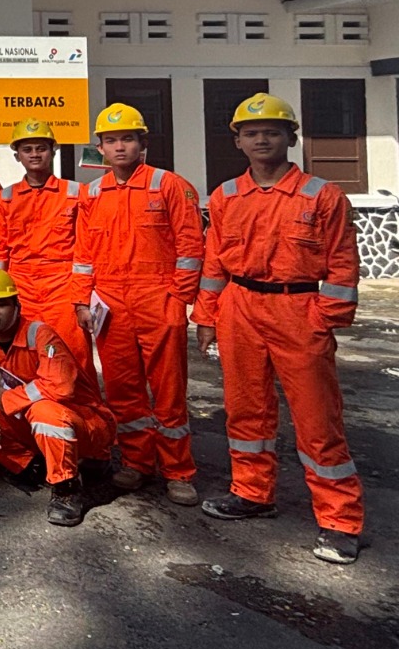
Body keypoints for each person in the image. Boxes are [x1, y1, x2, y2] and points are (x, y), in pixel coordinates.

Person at [194, 94, 365, 565]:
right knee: (246, 412)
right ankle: (251, 493)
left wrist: (324, 320)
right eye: (252, 132)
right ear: (238, 141)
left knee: (318, 420)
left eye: (272, 131)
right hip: (240, 309)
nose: (262, 138)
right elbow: (213, 263)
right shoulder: (225, 195)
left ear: (291, 137)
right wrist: (207, 316)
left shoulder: (322, 194)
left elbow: (342, 263)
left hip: (299, 310)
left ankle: (340, 521)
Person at [72, 104, 204, 507]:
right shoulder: (92, 193)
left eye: (127, 138)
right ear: (100, 148)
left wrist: (179, 298)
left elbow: (191, 247)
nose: (119, 147)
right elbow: (83, 252)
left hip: (157, 300)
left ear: (143, 143)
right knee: (123, 390)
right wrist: (82, 298)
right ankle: (135, 462)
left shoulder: (170, 185)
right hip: (110, 302)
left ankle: (178, 471)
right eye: (111, 141)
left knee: (168, 391)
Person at [0, 269, 114, 527]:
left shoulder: (41, 335)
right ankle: (32, 466)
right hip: (32, 423)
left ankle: (67, 488)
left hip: (86, 424)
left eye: (0, 304)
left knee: (44, 413)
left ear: (16, 305)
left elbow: (61, 386)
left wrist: (10, 399)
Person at [0, 120, 92, 388]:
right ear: (17, 155)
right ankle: (29, 415)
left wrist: (82, 297)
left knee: (73, 354)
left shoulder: (76, 193)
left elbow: (88, 249)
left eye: (41, 148)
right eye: (27, 149)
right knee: (24, 354)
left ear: (53, 151)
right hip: (21, 289)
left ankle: (87, 417)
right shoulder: (7, 198)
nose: (34, 154)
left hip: (63, 287)